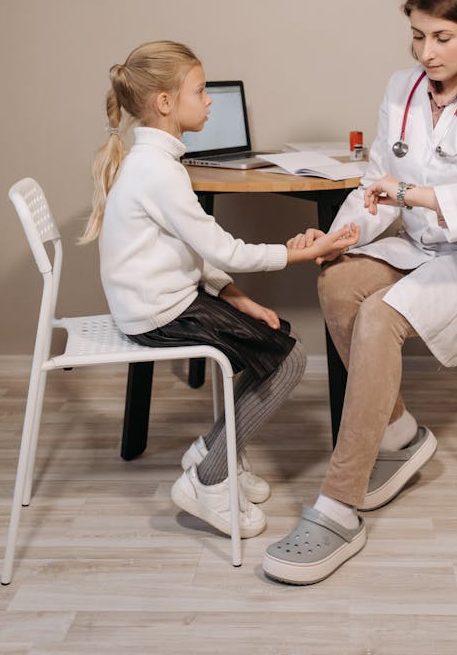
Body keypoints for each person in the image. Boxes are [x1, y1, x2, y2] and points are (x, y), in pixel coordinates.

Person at [262, 0, 457, 585]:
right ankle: (402, 433)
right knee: (337, 282)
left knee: (380, 317)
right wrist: (338, 237)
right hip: (426, 249)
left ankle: (338, 505)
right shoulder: (402, 89)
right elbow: (374, 186)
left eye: (441, 37)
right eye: (417, 36)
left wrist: (412, 194)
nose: (426, 52)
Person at [81, 40, 359, 540]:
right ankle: (207, 480)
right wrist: (307, 253)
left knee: (274, 335)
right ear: (165, 102)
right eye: (200, 89)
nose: (209, 100)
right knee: (291, 359)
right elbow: (226, 250)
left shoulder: (155, 164)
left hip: (162, 299)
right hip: (159, 313)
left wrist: (238, 298)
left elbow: (195, 254)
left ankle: (214, 451)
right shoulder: (160, 172)